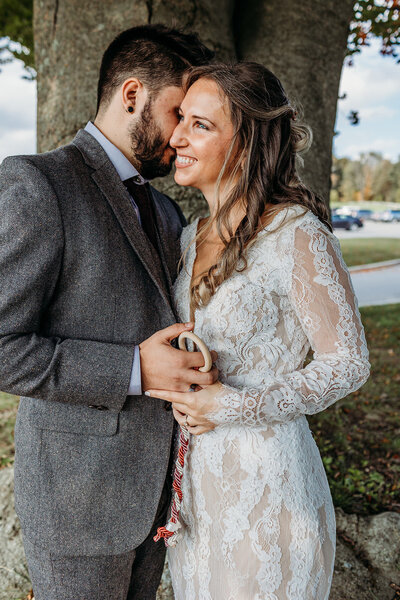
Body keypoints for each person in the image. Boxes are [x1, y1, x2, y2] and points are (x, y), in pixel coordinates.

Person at [0, 25, 217, 600]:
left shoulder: (169, 212)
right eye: (178, 112)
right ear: (131, 95)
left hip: (160, 497)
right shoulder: (36, 184)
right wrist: (134, 370)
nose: (183, 135)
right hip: (77, 502)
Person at [145, 63, 371, 599]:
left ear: (245, 143)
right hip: (198, 490)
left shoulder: (296, 234)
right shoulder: (187, 237)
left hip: (270, 488)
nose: (175, 137)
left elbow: (348, 364)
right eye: (181, 120)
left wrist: (233, 406)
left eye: (199, 125)